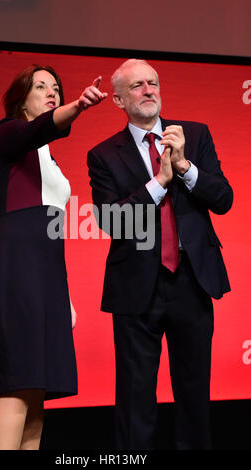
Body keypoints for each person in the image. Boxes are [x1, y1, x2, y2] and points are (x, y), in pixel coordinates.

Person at [87, 59, 233, 450]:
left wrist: (184, 166)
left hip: (192, 280)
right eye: (137, 86)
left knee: (194, 393)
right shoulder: (103, 155)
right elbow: (113, 223)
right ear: (118, 99)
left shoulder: (195, 136)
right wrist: (158, 184)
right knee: (136, 399)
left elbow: (224, 199)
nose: (149, 90)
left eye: (153, 82)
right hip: (137, 287)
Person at [0, 64, 107, 450]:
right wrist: (78, 106)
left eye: (56, 87)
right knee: (17, 381)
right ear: (21, 98)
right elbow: (44, 126)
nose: (51, 91)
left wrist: (62, 293)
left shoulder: (46, 157)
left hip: (46, 266)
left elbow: (50, 227)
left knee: (38, 389)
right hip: (15, 260)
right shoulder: (8, 133)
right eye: (41, 86)